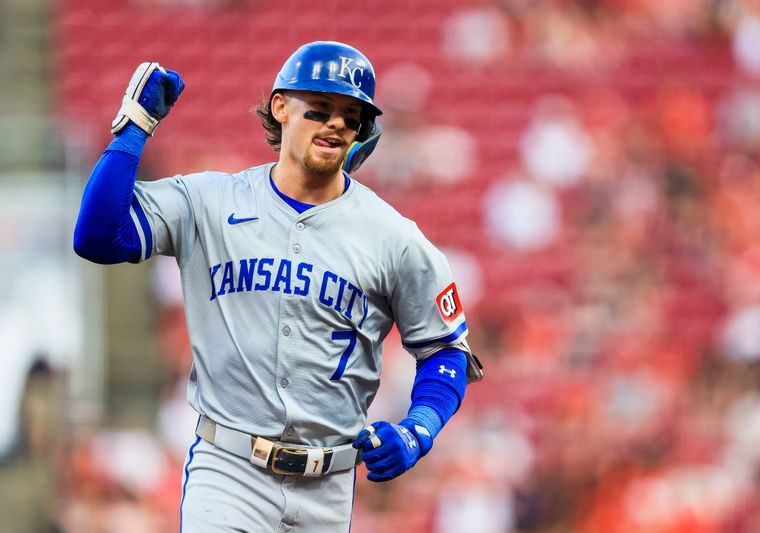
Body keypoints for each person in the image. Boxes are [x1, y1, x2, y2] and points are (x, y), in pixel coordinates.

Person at [73, 41, 483, 532]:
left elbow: (446, 348)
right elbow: (98, 236)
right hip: (228, 470)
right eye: (322, 107)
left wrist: (421, 428)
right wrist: (134, 129)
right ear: (281, 106)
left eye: (351, 116)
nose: (336, 123)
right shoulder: (211, 201)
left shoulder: (393, 237)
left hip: (328, 485)